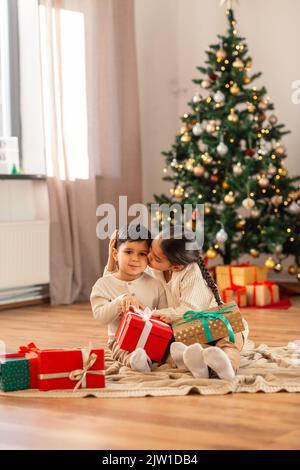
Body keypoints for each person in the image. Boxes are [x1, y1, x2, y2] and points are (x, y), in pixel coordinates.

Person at [105, 226, 249, 380]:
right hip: (184, 330)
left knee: (228, 341)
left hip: (213, 323)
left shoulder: (191, 272)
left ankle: (227, 366)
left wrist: (159, 314)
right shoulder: (153, 267)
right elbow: (113, 283)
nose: (149, 257)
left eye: (156, 258)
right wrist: (111, 259)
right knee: (169, 345)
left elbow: (190, 310)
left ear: (176, 267)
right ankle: (200, 363)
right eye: (151, 250)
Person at [90, 224, 167, 373]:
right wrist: (120, 301)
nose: (135, 259)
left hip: (151, 336)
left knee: (167, 350)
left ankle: (184, 358)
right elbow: (100, 317)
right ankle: (136, 361)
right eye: (129, 252)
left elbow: (164, 314)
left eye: (142, 254)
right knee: (123, 351)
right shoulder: (103, 284)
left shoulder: (155, 284)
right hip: (120, 340)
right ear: (115, 254)